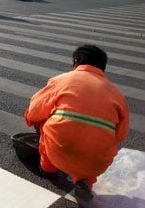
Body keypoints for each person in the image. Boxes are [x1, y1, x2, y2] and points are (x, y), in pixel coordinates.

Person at [24, 45, 129, 202]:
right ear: (103, 68)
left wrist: (33, 122)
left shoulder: (62, 80)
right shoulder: (117, 95)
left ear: (76, 63)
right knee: (101, 138)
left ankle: (47, 168)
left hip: (58, 152)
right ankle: (85, 180)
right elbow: (120, 136)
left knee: (47, 122)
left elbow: (35, 110)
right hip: (96, 163)